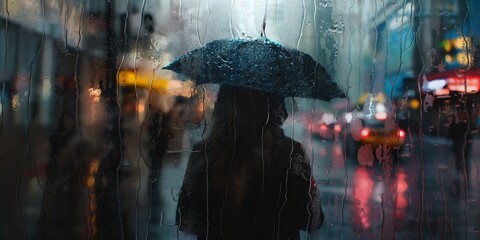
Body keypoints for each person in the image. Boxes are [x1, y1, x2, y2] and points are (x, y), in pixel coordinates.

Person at [176, 85, 324, 240]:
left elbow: (186, 220)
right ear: (274, 108)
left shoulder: (204, 151)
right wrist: (310, 187)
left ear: (222, 107)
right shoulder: (291, 153)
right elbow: (312, 220)